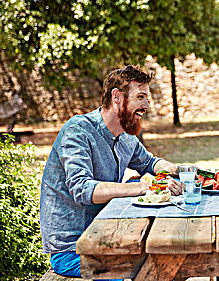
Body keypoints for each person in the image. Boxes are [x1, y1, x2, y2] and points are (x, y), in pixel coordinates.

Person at [39, 65, 183, 279]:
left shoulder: (126, 136)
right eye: (140, 96)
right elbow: (83, 189)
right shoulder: (78, 131)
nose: (146, 105)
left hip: (107, 237)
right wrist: (143, 187)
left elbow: (150, 163)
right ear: (117, 96)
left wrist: (180, 171)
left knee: (168, 258)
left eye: (147, 98)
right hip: (73, 250)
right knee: (145, 267)